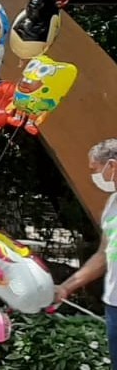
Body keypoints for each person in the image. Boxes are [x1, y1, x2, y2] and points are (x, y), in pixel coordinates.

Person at [54, 138, 117, 365]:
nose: (94, 177)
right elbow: (103, 255)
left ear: (112, 166)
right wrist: (66, 287)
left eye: (95, 170)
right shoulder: (112, 203)